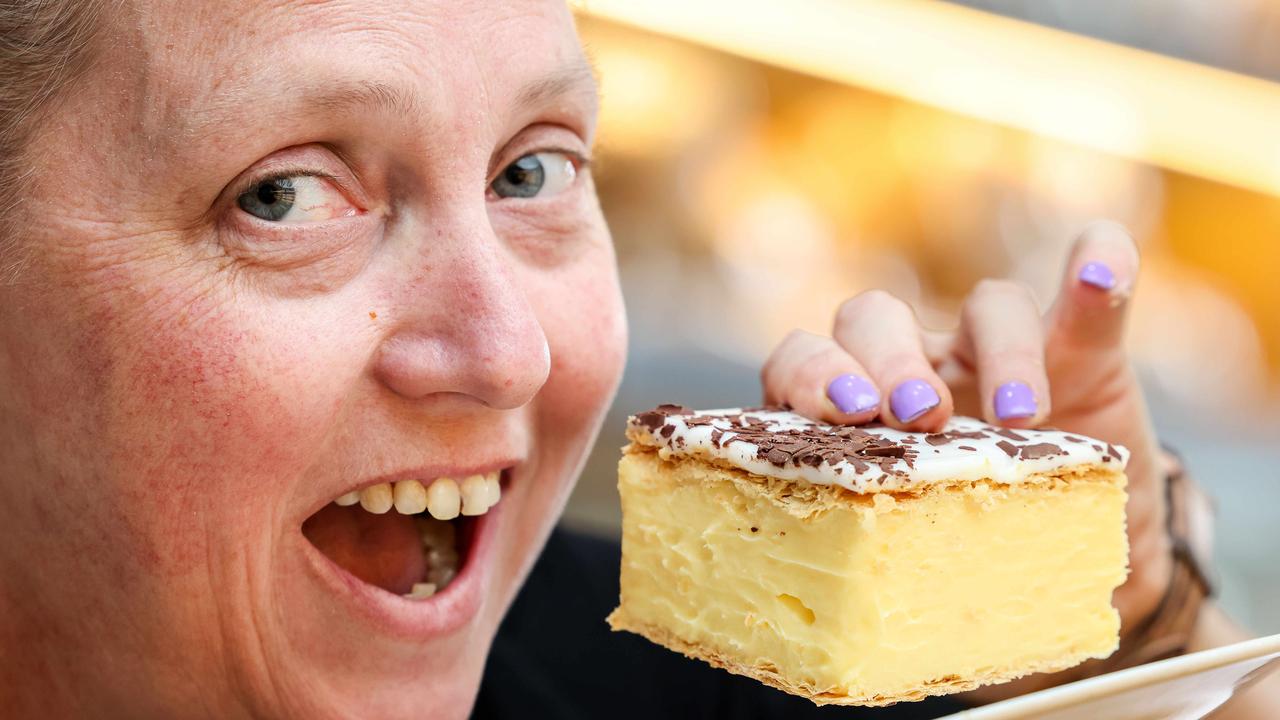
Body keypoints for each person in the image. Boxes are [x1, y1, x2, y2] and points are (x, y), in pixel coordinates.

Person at [0, 1, 1273, 718]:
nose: (507, 354)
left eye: (532, 171)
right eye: (280, 198)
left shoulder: (682, 693)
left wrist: (1131, 649)